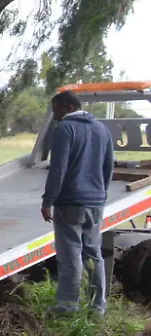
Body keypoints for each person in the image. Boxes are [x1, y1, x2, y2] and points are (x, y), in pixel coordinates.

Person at [41, 90, 114, 315]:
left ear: (69, 107)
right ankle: (97, 307)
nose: (55, 117)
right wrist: (101, 194)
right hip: (95, 201)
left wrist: (48, 200)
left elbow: (58, 168)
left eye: (57, 111)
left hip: (70, 202)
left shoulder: (65, 129)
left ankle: (67, 306)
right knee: (93, 253)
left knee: (70, 255)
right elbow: (108, 165)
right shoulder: (102, 129)